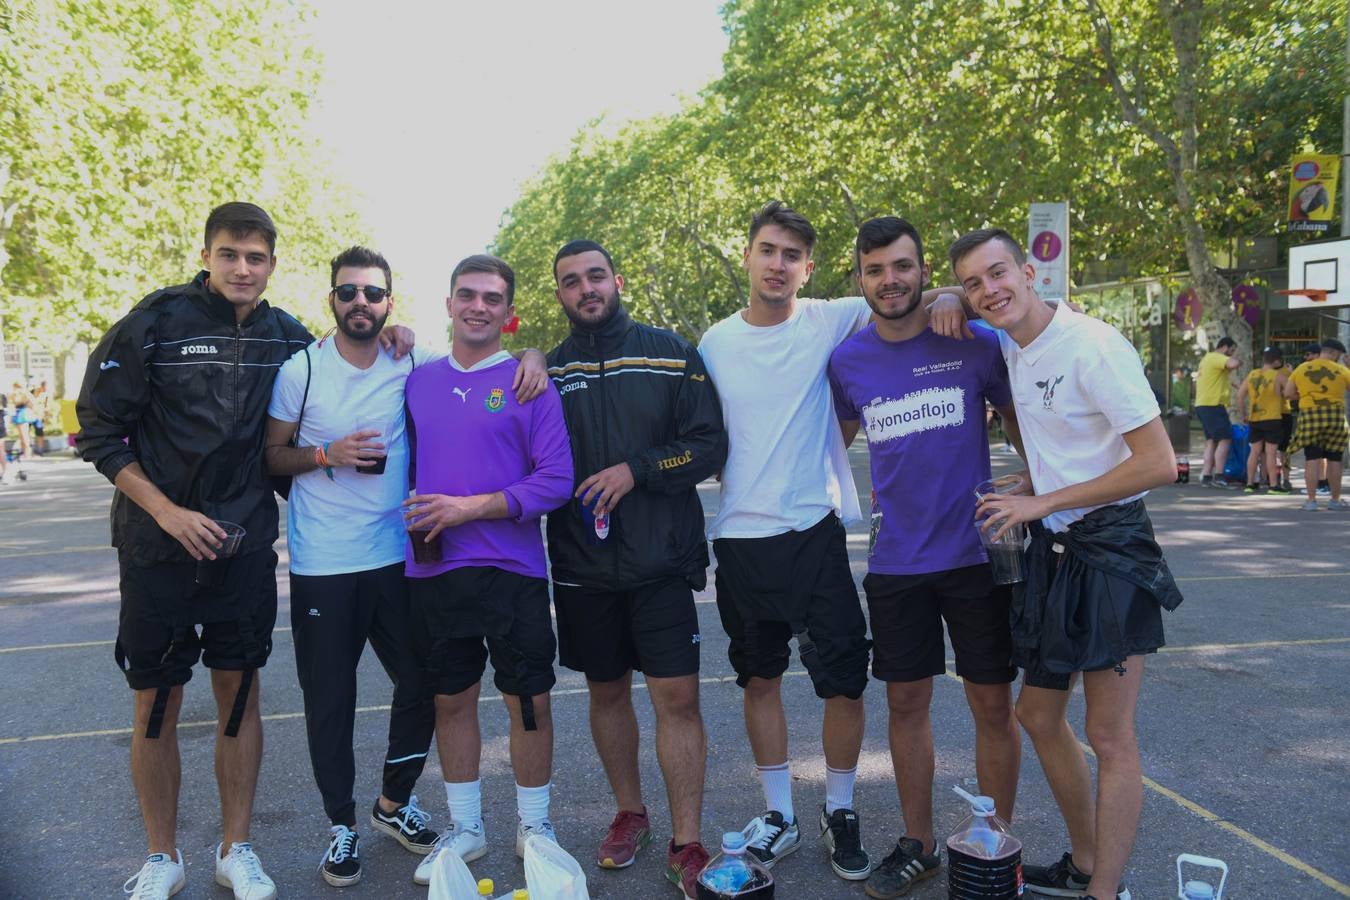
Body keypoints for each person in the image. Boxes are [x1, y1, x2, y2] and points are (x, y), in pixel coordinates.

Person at [77, 203, 391, 900]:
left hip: (244, 548)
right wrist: (166, 512)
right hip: (155, 548)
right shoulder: (154, 323)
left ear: (273, 264)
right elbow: (99, 432)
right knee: (154, 705)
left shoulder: (290, 340)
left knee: (238, 697)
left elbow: (349, 361)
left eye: (255, 257)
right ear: (208, 256)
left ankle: (234, 849)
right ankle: (163, 857)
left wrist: (394, 332)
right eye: (229, 255)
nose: (242, 268)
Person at [949, 228, 1181, 900]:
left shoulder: (1093, 345)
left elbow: (1158, 463)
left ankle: (1106, 892)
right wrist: (1031, 485)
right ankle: (1083, 861)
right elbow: (1082, 445)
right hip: (1055, 550)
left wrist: (1045, 497)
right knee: (1038, 715)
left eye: (999, 274)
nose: (989, 290)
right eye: (973, 282)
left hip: (1111, 551)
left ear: (1029, 272)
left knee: (1109, 735)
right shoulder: (1016, 345)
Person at [827, 217, 1025, 899]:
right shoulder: (847, 362)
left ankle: (996, 843)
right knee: (905, 706)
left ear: (920, 270)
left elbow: (1025, 422)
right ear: (860, 278)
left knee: (993, 707)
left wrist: (1043, 485)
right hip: (897, 564)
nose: (891, 280)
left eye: (904, 267)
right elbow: (826, 446)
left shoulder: (972, 341)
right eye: (876, 269)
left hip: (977, 558)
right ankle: (919, 843)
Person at [698, 199, 878, 881]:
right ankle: (779, 814)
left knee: (845, 683)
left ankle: (839, 807)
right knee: (760, 678)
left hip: (813, 531)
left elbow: (911, 294)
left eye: (792, 255)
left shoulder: (831, 318)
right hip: (741, 539)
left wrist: (952, 296)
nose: (779, 264)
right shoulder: (713, 343)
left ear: (809, 268)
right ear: (747, 255)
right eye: (768, 250)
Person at [546, 240, 728, 897]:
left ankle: (688, 839)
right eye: (571, 281)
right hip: (580, 566)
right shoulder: (547, 371)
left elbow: (709, 446)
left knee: (678, 698)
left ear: (617, 280)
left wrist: (639, 470)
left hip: (661, 560)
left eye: (595, 276)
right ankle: (630, 814)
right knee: (606, 693)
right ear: (560, 294)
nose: (586, 288)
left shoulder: (671, 351)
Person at [402, 254, 573, 885]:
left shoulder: (530, 381)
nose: (479, 306)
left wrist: (468, 507)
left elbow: (556, 481)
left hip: (512, 567)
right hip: (434, 569)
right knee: (452, 699)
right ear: (447, 304)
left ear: (509, 312)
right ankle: (467, 827)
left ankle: (535, 826)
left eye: (492, 298)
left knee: (528, 699)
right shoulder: (415, 378)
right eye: (467, 295)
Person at [1283, 338, 1350, 511]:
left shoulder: (1302, 368)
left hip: (1310, 416)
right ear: (1334, 353)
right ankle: (1335, 500)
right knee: (1335, 458)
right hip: (1335, 416)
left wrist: (1305, 396)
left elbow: (1288, 393)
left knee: (1312, 458)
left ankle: (1311, 501)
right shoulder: (1341, 370)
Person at [1236, 348, 1288, 494]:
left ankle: (1250, 483)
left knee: (1254, 451)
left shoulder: (1252, 374)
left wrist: (1243, 415)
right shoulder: (1278, 375)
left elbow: (1239, 396)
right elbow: (1291, 391)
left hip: (1255, 418)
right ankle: (1273, 485)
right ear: (1277, 361)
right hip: (1272, 418)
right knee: (1271, 453)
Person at [1194, 337, 1240, 487]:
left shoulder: (1207, 359)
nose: (1231, 354)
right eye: (1232, 350)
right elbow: (1233, 363)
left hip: (1203, 404)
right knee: (1225, 439)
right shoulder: (1217, 357)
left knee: (1211, 441)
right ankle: (1219, 475)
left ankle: (1206, 475)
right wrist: (1237, 360)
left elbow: (1222, 379)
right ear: (1225, 347)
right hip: (1213, 405)